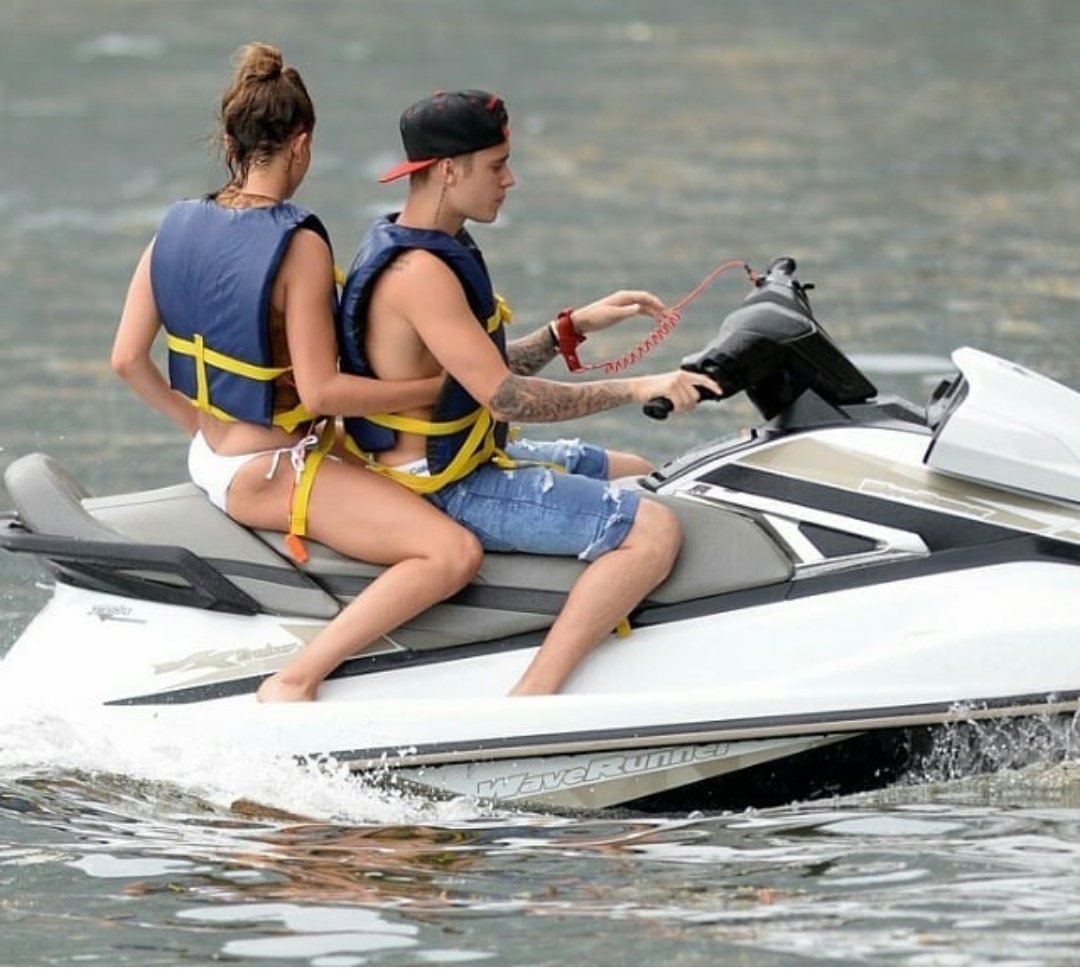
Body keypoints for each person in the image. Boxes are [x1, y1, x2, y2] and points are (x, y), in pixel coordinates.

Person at [110, 45, 482, 703]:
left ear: (229, 141)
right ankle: (295, 679)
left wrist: (200, 422)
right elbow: (321, 392)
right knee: (450, 553)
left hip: (211, 457)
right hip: (271, 473)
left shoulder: (172, 227)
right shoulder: (300, 243)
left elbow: (127, 361)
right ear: (302, 144)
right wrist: (431, 388)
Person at [336, 89, 722, 696]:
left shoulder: (420, 242)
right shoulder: (422, 275)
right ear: (448, 170)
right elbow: (505, 399)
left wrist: (564, 331)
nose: (509, 180)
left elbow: (473, 372)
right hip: (444, 484)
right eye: (496, 165)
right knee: (653, 530)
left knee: (635, 470)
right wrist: (639, 387)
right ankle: (533, 695)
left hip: (463, 456)